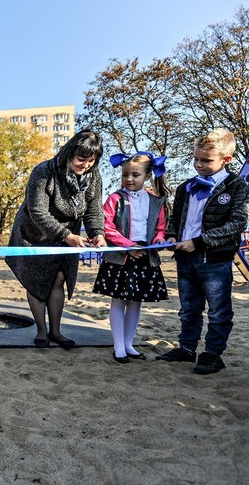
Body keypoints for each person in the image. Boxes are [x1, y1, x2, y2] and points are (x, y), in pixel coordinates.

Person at [156, 129, 249, 374]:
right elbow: (176, 218)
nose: (199, 164)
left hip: (215, 260)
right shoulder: (185, 187)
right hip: (185, 257)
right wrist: (172, 235)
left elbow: (236, 224)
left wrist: (199, 242)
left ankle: (212, 354)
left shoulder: (237, 186)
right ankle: (186, 348)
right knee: (189, 308)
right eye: (196, 159)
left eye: (206, 160)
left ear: (226, 160)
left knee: (218, 311)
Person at [6, 129, 107, 349]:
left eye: (91, 161)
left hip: (67, 236)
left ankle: (56, 331)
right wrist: (65, 235)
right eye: (82, 159)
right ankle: (41, 331)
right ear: (70, 153)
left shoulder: (94, 177)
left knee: (59, 278)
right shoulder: (44, 171)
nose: (86, 165)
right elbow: (37, 211)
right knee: (36, 281)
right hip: (33, 234)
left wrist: (97, 233)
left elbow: (93, 210)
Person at [92, 152, 171, 363]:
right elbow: (107, 227)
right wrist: (128, 247)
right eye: (125, 174)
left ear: (146, 176)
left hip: (145, 256)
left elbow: (161, 227)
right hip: (121, 257)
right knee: (118, 301)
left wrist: (160, 239)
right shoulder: (115, 198)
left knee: (136, 302)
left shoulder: (156, 201)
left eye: (135, 174)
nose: (129, 179)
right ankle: (118, 346)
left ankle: (129, 344)